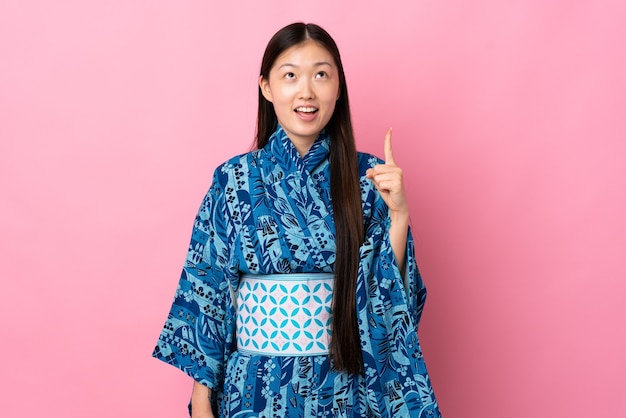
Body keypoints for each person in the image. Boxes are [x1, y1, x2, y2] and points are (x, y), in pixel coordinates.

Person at [153, 22, 441, 417]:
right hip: (254, 390)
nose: (306, 92)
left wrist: (400, 216)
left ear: (338, 88)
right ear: (267, 87)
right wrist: (202, 398)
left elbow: (389, 300)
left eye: (321, 75)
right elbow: (207, 291)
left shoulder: (370, 178)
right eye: (290, 76)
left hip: (343, 387)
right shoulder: (234, 181)